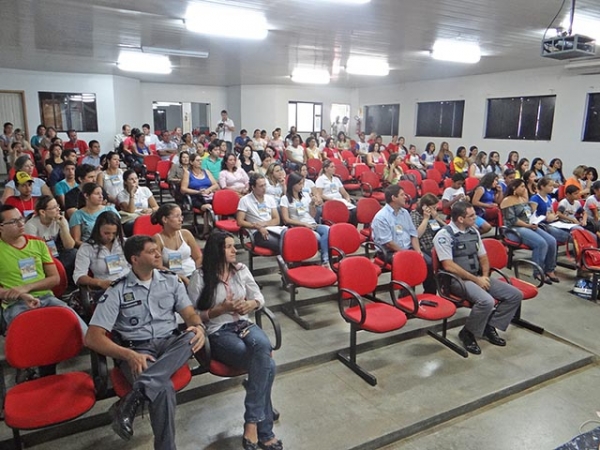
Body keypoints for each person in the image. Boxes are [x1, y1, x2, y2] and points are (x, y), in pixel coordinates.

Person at [85, 235, 205, 449]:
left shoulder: (171, 280)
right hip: (136, 350)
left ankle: (132, 398)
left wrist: (199, 327)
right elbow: (92, 338)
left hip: (170, 344)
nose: (159, 254)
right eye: (151, 251)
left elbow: (190, 315)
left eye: (158, 250)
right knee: (163, 388)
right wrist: (128, 355)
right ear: (135, 259)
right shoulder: (117, 289)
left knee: (191, 336)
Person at [188, 231, 281, 450]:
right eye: (229, 246)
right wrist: (218, 310)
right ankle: (265, 431)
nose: (234, 250)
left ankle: (251, 421)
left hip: (244, 324)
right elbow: (191, 315)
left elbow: (259, 297)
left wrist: (252, 305)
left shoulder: (241, 270)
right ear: (217, 250)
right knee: (267, 364)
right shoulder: (200, 277)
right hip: (219, 331)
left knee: (263, 348)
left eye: (233, 246)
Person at [433, 201, 523, 355]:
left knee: (515, 295)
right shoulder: (444, 235)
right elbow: (448, 266)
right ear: (460, 219)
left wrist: (485, 276)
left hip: (477, 276)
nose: (476, 218)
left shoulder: (474, 232)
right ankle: (468, 332)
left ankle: (489, 325)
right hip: (457, 281)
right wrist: (477, 280)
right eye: (472, 215)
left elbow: (483, 257)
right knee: (486, 301)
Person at [0, 205, 88, 331]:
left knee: (79, 328)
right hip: (16, 304)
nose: (21, 224)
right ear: (1, 227)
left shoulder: (38, 243)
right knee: (31, 335)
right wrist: (19, 294)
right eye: (14, 222)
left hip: (47, 298)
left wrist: (27, 287)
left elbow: (55, 278)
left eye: (21, 219)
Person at [372, 184, 437, 294]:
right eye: (402, 195)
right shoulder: (381, 217)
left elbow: (413, 234)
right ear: (394, 198)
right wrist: (407, 254)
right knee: (409, 263)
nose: (405, 197)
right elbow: (389, 243)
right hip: (388, 251)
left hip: (408, 248)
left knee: (429, 262)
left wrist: (418, 251)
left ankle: (430, 294)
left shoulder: (405, 213)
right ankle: (406, 298)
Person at [500, 179, 559, 284]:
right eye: (522, 187)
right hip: (513, 229)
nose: (524, 189)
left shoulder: (522, 199)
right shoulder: (507, 200)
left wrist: (533, 222)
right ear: (514, 188)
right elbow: (512, 220)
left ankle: (550, 270)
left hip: (528, 225)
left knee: (552, 241)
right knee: (541, 243)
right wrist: (528, 225)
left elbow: (528, 214)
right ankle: (538, 272)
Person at [280, 172, 330, 266]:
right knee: (318, 238)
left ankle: (325, 260)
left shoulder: (305, 196)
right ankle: (324, 259)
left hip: (311, 223)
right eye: (299, 184)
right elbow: (286, 219)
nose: (301, 186)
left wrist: (312, 205)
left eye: (302, 183)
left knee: (327, 229)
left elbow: (312, 215)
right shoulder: (285, 199)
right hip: (299, 226)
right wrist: (303, 224)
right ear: (292, 184)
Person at [25, 195, 77, 282]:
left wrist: (63, 227)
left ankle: (68, 286)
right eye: (54, 208)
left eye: (57, 206)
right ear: (42, 212)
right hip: (39, 257)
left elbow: (70, 246)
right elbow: (31, 251)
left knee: (74, 253)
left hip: (55, 255)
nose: (58, 210)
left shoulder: (60, 220)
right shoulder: (31, 225)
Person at [73, 210, 129, 291]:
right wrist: (99, 283)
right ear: (98, 230)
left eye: (114, 233)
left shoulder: (125, 243)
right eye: (106, 233)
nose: (110, 237)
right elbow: (79, 276)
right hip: (106, 288)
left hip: (128, 283)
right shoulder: (87, 248)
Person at [152, 204, 203, 286]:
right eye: (177, 216)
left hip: (193, 273)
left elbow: (198, 257)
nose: (181, 220)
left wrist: (196, 274)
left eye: (181, 216)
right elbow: (159, 266)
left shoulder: (186, 234)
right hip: (172, 278)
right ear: (165, 219)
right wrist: (180, 277)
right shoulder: (157, 239)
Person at [236, 173, 283, 253]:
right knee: (281, 244)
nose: (264, 188)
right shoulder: (245, 200)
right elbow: (240, 221)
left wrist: (264, 224)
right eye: (261, 186)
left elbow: (276, 220)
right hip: (257, 232)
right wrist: (257, 226)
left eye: (265, 185)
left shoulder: (269, 198)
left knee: (291, 239)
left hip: (272, 229)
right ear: (253, 187)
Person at [69, 182, 118, 247]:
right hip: (90, 247)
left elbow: (120, 233)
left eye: (101, 193)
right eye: (97, 194)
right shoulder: (77, 215)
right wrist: (91, 247)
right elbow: (76, 241)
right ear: (86, 195)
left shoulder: (110, 209)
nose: (101, 196)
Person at [530, 177, 572, 244]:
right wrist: (545, 218)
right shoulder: (534, 199)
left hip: (551, 222)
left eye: (553, 186)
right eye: (550, 186)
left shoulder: (549, 197)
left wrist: (553, 216)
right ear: (542, 187)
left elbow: (552, 212)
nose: (552, 187)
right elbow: (532, 217)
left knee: (572, 229)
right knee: (564, 235)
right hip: (542, 224)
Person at [117, 170, 160, 236]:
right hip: (132, 218)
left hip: (146, 215)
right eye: (131, 179)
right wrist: (132, 194)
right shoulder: (121, 195)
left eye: (136, 178)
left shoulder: (145, 189)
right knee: (134, 224)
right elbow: (131, 210)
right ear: (125, 182)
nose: (134, 181)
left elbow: (156, 207)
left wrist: (151, 209)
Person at [315, 159, 356, 224]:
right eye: (332, 167)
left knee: (354, 211)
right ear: (326, 169)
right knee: (348, 213)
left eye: (334, 166)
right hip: (329, 201)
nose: (334, 168)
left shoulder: (336, 179)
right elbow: (320, 194)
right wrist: (332, 199)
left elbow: (344, 192)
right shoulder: (321, 179)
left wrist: (347, 198)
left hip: (340, 200)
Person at [410, 193, 446, 258]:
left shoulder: (433, 215)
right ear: (424, 206)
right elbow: (417, 234)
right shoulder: (415, 214)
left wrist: (436, 218)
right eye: (433, 208)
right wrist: (426, 219)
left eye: (436, 208)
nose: (435, 210)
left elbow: (446, 228)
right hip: (425, 247)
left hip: (438, 244)